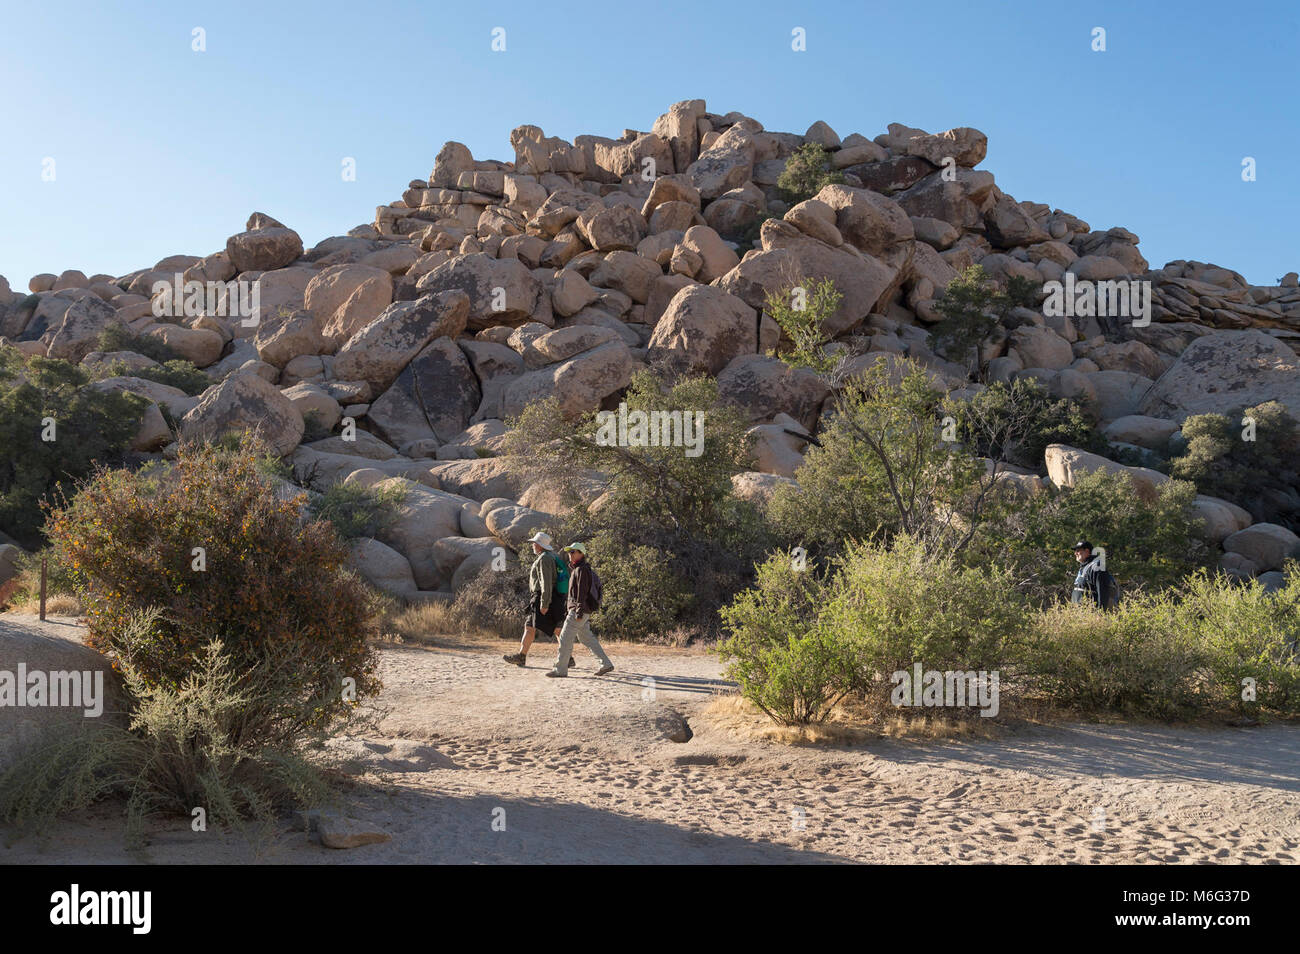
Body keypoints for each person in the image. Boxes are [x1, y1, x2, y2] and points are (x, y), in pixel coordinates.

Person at [502, 532, 573, 668]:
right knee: (539, 627)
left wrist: (544, 603)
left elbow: (546, 582)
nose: (533, 545)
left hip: (543, 597)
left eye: (534, 543)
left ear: (540, 545)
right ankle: (567, 657)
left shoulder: (544, 559)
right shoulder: (551, 556)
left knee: (546, 628)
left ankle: (522, 657)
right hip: (551, 597)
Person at [547, 542, 614, 678]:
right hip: (583, 610)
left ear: (581, 554)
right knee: (586, 638)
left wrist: (578, 611)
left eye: (573, 552)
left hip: (579, 611)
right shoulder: (579, 569)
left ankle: (560, 670)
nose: (570, 554)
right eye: (569, 552)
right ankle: (605, 664)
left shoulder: (581, 570)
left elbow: (581, 593)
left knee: (565, 638)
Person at [1070, 539, 1118, 610]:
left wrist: (1100, 612)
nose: (1075, 553)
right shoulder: (1084, 566)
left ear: (1087, 551)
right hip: (1081, 613)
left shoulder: (1097, 567)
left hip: (1091, 613)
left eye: (1078, 551)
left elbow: (1103, 591)